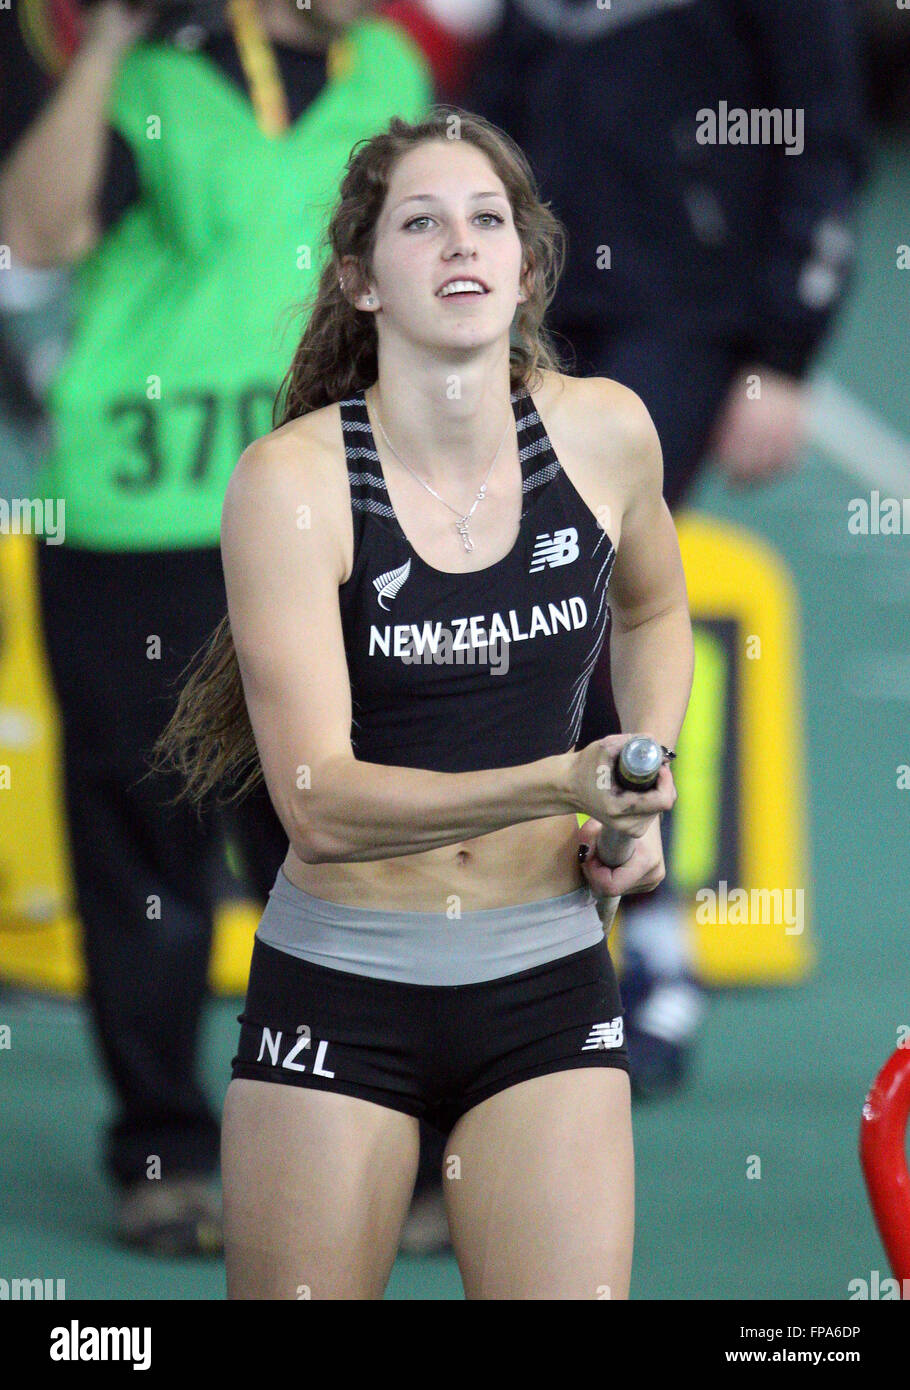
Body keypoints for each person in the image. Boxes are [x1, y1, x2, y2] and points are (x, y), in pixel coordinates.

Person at [152, 106, 692, 1299]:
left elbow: (653, 610)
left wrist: (642, 782)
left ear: (527, 266)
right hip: (340, 996)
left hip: (547, 982)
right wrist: (559, 783)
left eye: (488, 220)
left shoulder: (607, 434)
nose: (461, 243)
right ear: (360, 280)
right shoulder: (291, 482)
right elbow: (318, 806)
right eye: (422, 222)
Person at [0, 0, 431, 1254]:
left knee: (338, 843)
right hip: (144, 517)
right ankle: (164, 1149)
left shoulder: (391, 68)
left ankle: (380, 1140)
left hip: (330, 518)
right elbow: (35, 228)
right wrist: (111, 49)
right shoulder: (154, 75)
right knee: (146, 856)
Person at [465, 0, 868, 1093]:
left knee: (603, 600)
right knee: (531, 602)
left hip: (682, 316)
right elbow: (495, 103)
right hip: (534, 316)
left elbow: (819, 131)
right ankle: (531, 934)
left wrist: (784, 347)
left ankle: (651, 946)